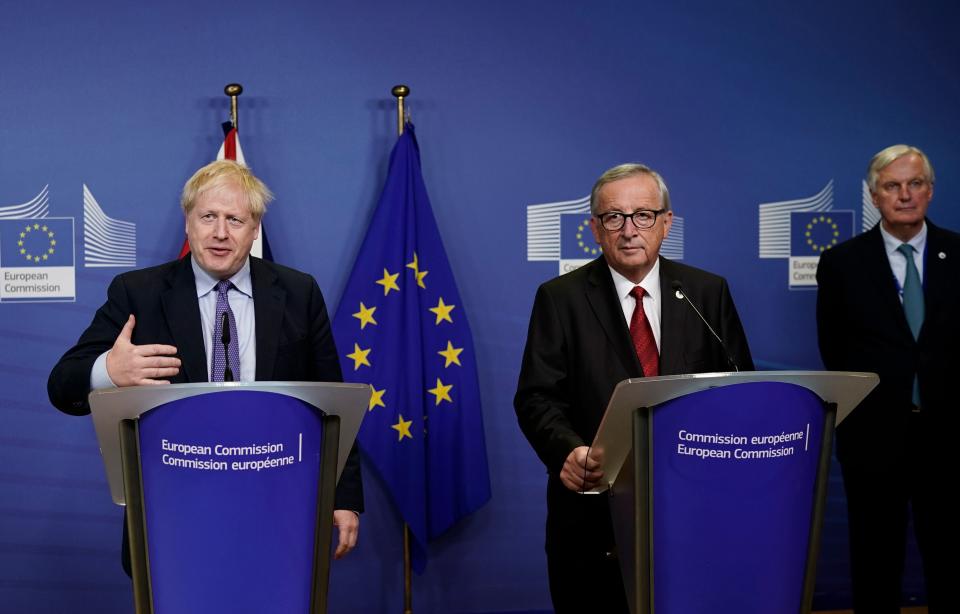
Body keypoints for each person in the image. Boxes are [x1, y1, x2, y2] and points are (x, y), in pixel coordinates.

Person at [48, 159, 362, 573]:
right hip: (171, 515)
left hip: (277, 511)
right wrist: (108, 369)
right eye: (208, 217)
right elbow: (62, 386)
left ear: (255, 229)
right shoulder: (137, 293)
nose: (219, 232)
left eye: (235, 219)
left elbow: (332, 401)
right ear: (188, 223)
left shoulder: (297, 292)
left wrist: (342, 497)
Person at [514, 163, 753, 613]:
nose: (629, 230)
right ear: (595, 229)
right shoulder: (560, 297)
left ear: (666, 222)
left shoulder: (707, 293)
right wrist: (567, 451)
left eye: (643, 215)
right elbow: (536, 396)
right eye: (613, 217)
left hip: (696, 509)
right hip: (595, 513)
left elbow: (739, 388)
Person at [817, 144, 956, 613]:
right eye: (892, 186)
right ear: (874, 196)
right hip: (875, 440)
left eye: (915, 184)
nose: (905, 195)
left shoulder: (958, 254)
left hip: (949, 440)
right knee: (876, 562)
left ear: (930, 191)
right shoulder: (841, 263)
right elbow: (834, 353)